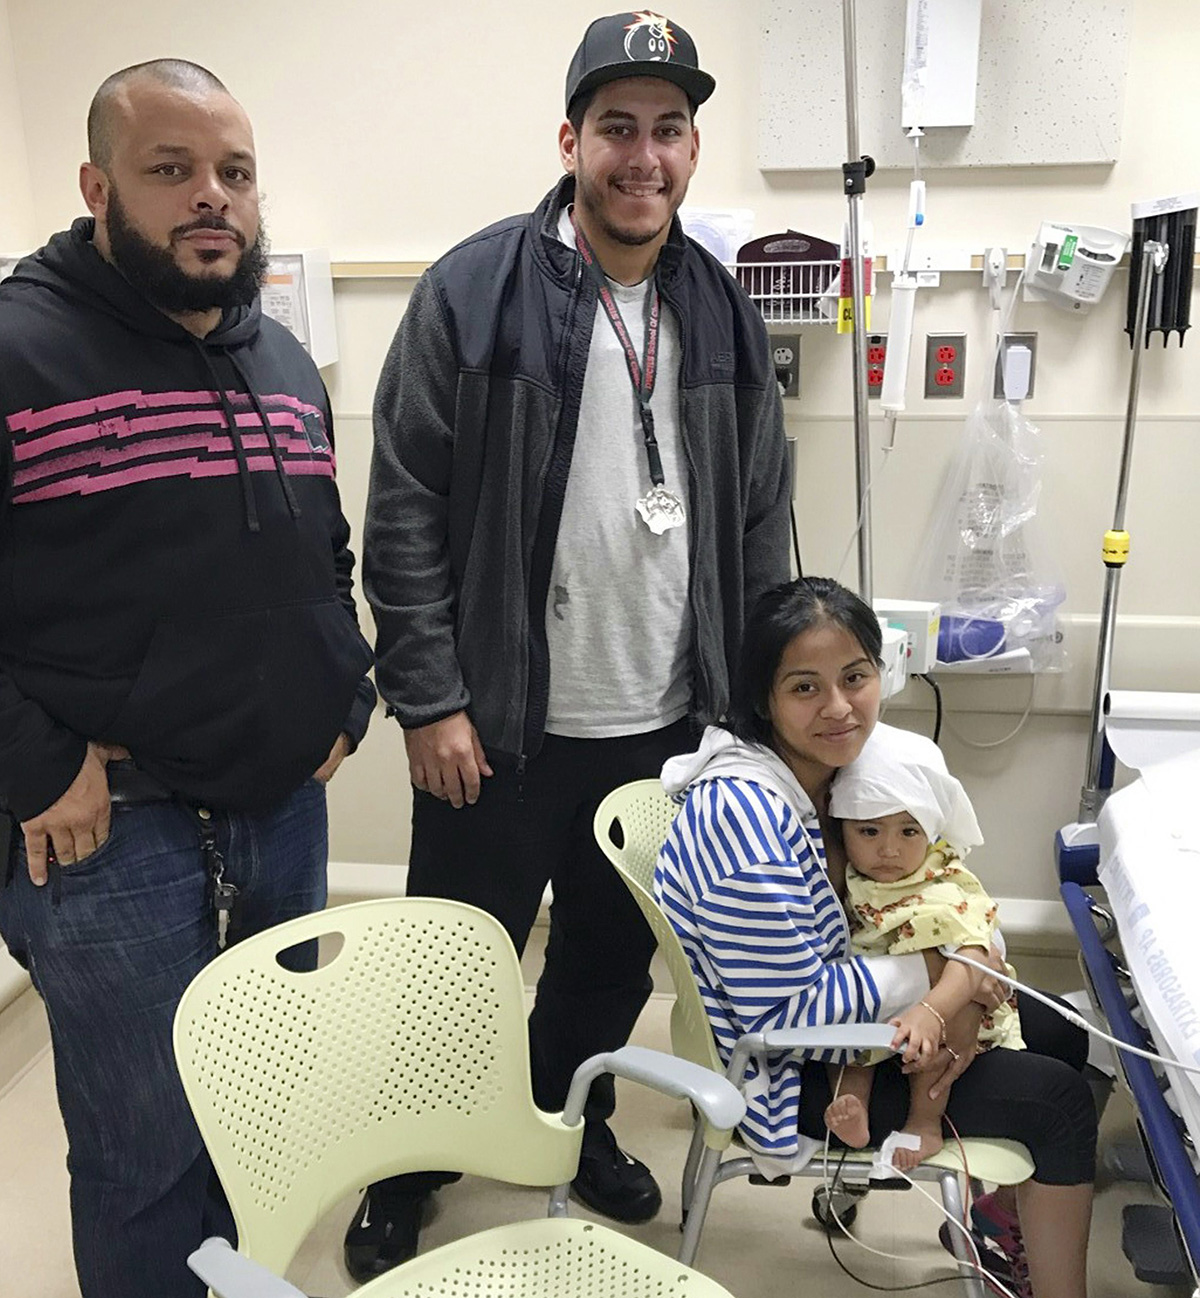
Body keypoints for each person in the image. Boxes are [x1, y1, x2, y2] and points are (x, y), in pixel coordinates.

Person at [360, 9, 790, 1279]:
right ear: (571, 141)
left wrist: (751, 715)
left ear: (693, 150)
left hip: (663, 724)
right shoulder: (473, 291)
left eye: (668, 129)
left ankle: (570, 1121)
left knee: (606, 964)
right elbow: (403, 507)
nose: (642, 155)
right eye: (617, 127)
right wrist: (429, 697)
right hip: (496, 723)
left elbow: (760, 520)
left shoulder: (720, 310)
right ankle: (408, 1167)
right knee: (452, 967)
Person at [0, 60, 375, 1298]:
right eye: (172, 170)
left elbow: (325, 552)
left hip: (281, 807)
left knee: (259, 1109)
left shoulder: (284, 362)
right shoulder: (18, 348)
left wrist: (346, 690)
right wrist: (35, 762)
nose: (212, 196)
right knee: (146, 1152)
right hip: (106, 827)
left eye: (234, 172)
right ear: (97, 187)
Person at [656, 576, 1096, 1298]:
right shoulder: (744, 821)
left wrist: (962, 970)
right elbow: (785, 1013)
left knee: (1062, 1032)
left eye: (855, 677)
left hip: (850, 1022)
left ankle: (998, 1224)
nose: (839, 707)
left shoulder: (827, 773)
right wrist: (947, 975)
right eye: (805, 687)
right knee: (1058, 1103)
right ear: (762, 698)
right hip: (789, 1071)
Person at [825, 723, 1025, 1172]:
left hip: (941, 1009)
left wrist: (931, 1012)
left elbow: (973, 956)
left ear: (932, 833)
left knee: (942, 1043)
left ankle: (924, 1122)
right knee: (845, 1045)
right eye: (869, 832)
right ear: (843, 830)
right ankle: (850, 1107)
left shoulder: (940, 881)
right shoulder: (850, 879)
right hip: (876, 1005)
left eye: (908, 832)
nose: (889, 850)